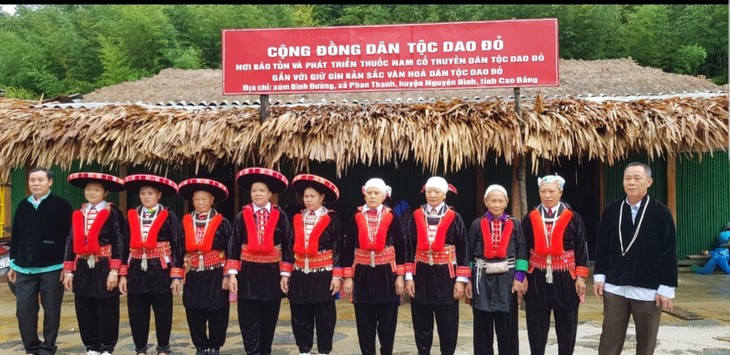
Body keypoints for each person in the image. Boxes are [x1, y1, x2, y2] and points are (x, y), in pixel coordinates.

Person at [593, 162, 678, 355]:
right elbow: (603, 246)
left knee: (646, 341)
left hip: (648, 288)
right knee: (609, 338)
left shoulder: (661, 213)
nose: (631, 182)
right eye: (627, 178)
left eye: (637, 178)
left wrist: (666, 288)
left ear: (649, 182)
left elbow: (669, 252)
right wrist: (599, 276)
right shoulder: (612, 210)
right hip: (616, 285)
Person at [8, 167, 73, 355]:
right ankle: (32, 347)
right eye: (32, 180)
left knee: (52, 310)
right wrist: (13, 263)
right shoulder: (23, 205)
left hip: (53, 267)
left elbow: (69, 237)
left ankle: (48, 347)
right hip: (24, 268)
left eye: (40, 180)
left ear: (50, 182)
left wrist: (66, 265)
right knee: (24, 311)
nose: (35, 183)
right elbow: (17, 236)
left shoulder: (61, 205)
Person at [227, 167, 292, 355]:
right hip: (248, 274)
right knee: (248, 319)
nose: (257, 194)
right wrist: (232, 275)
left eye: (262, 190)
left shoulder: (281, 216)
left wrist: (285, 274)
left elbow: (288, 244)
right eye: (254, 190)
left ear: (270, 193)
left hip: (272, 274)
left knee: (269, 319)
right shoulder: (241, 216)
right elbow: (234, 244)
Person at [521, 174, 589, 355]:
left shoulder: (573, 217)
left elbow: (582, 247)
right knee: (536, 324)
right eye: (543, 191)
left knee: (567, 324)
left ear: (560, 192)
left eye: (551, 191)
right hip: (536, 276)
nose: (547, 195)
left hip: (566, 277)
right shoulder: (531, 217)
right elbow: (523, 247)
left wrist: (581, 277)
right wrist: (521, 276)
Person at [119, 174, 184, 355]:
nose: (146, 197)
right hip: (136, 269)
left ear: (159, 195)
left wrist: (177, 275)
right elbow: (124, 245)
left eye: (150, 193)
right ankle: (140, 349)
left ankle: (163, 347)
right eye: (142, 193)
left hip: (161, 269)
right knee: (137, 311)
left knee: (163, 311)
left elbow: (178, 244)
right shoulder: (132, 215)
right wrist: (123, 274)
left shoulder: (169, 216)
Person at [62, 172, 127, 355]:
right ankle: (91, 346)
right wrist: (69, 271)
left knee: (106, 307)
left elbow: (119, 242)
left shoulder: (113, 213)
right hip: (82, 266)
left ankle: (106, 347)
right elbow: (70, 240)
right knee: (84, 306)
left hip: (104, 265)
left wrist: (115, 271)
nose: (91, 192)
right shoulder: (79, 213)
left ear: (105, 193)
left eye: (96, 189)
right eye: (88, 189)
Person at [404, 176, 470, 355]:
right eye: (429, 191)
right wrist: (408, 277)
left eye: (437, 192)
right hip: (421, 274)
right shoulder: (416, 216)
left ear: (445, 194)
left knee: (447, 323)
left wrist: (461, 280)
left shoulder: (455, 218)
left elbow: (464, 249)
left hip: (446, 276)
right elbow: (408, 247)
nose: (432, 195)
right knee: (421, 320)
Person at [280, 173, 345, 355]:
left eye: (312, 196)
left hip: (323, 275)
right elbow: (288, 247)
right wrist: (286, 274)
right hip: (300, 273)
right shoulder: (296, 219)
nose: (308, 200)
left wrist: (337, 276)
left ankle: (324, 350)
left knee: (324, 316)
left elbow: (339, 248)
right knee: (300, 313)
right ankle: (304, 350)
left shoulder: (332, 220)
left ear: (322, 198)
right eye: (306, 196)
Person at [341, 178, 406, 355]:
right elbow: (347, 249)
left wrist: (400, 276)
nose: (372, 196)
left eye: (376, 193)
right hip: (362, 275)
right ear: (364, 194)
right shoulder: (355, 218)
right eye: (369, 193)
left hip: (386, 275)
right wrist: (348, 277)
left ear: (384, 195)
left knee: (387, 325)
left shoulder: (394, 218)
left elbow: (402, 247)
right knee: (364, 325)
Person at [466, 184, 528, 355]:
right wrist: (469, 280)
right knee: (482, 327)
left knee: (507, 327)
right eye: (493, 200)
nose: (496, 204)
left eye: (500, 201)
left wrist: (519, 278)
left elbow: (522, 252)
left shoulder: (515, 224)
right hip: (481, 280)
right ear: (485, 201)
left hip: (507, 281)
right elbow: (469, 253)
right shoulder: (476, 224)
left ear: (506, 201)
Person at [177, 178, 234, 355]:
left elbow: (230, 248)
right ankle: (201, 345)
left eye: (204, 199)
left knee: (218, 310)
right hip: (193, 273)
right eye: (197, 199)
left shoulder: (222, 222)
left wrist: (228, 275)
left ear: (211, 200)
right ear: (192, 201)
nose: (200, 203)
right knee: (193, 309)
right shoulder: (185, 222)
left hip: (216, 272)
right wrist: (177, 276)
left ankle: (215, 345)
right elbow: (178, 248)